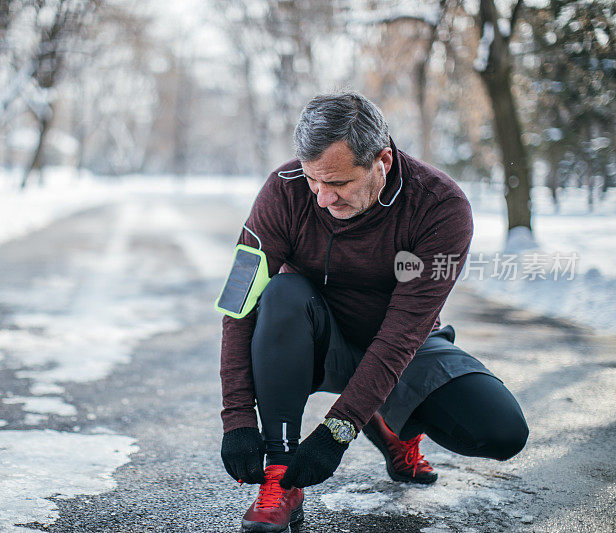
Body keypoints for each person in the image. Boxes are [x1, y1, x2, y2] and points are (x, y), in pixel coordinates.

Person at [218, 91, 529, 533]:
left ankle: (387, 419)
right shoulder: (282, 190)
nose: (323, 198)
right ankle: (280, 479)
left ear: (382, 160)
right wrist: (237, 420)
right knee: (281, 293)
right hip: (310, 339)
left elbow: (402, 335)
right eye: (313, 180)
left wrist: (338, 433)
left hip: (401, 348)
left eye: (340, 183)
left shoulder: (440, 207)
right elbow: (238, 300)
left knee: (501, 433)